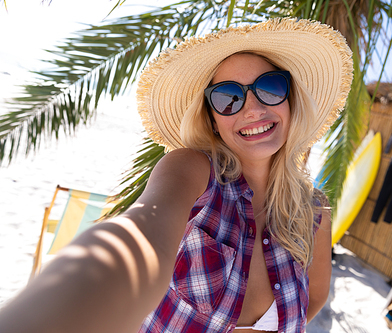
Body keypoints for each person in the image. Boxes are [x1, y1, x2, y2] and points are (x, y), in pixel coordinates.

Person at [0, 17, 353, 333]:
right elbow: (137, 237)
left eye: (271, 87)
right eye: (228, 97)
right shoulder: (192, 170)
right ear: (212, 119)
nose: (254, 108)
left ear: (290, 98)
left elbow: (315, 297)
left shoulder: (313, 212)